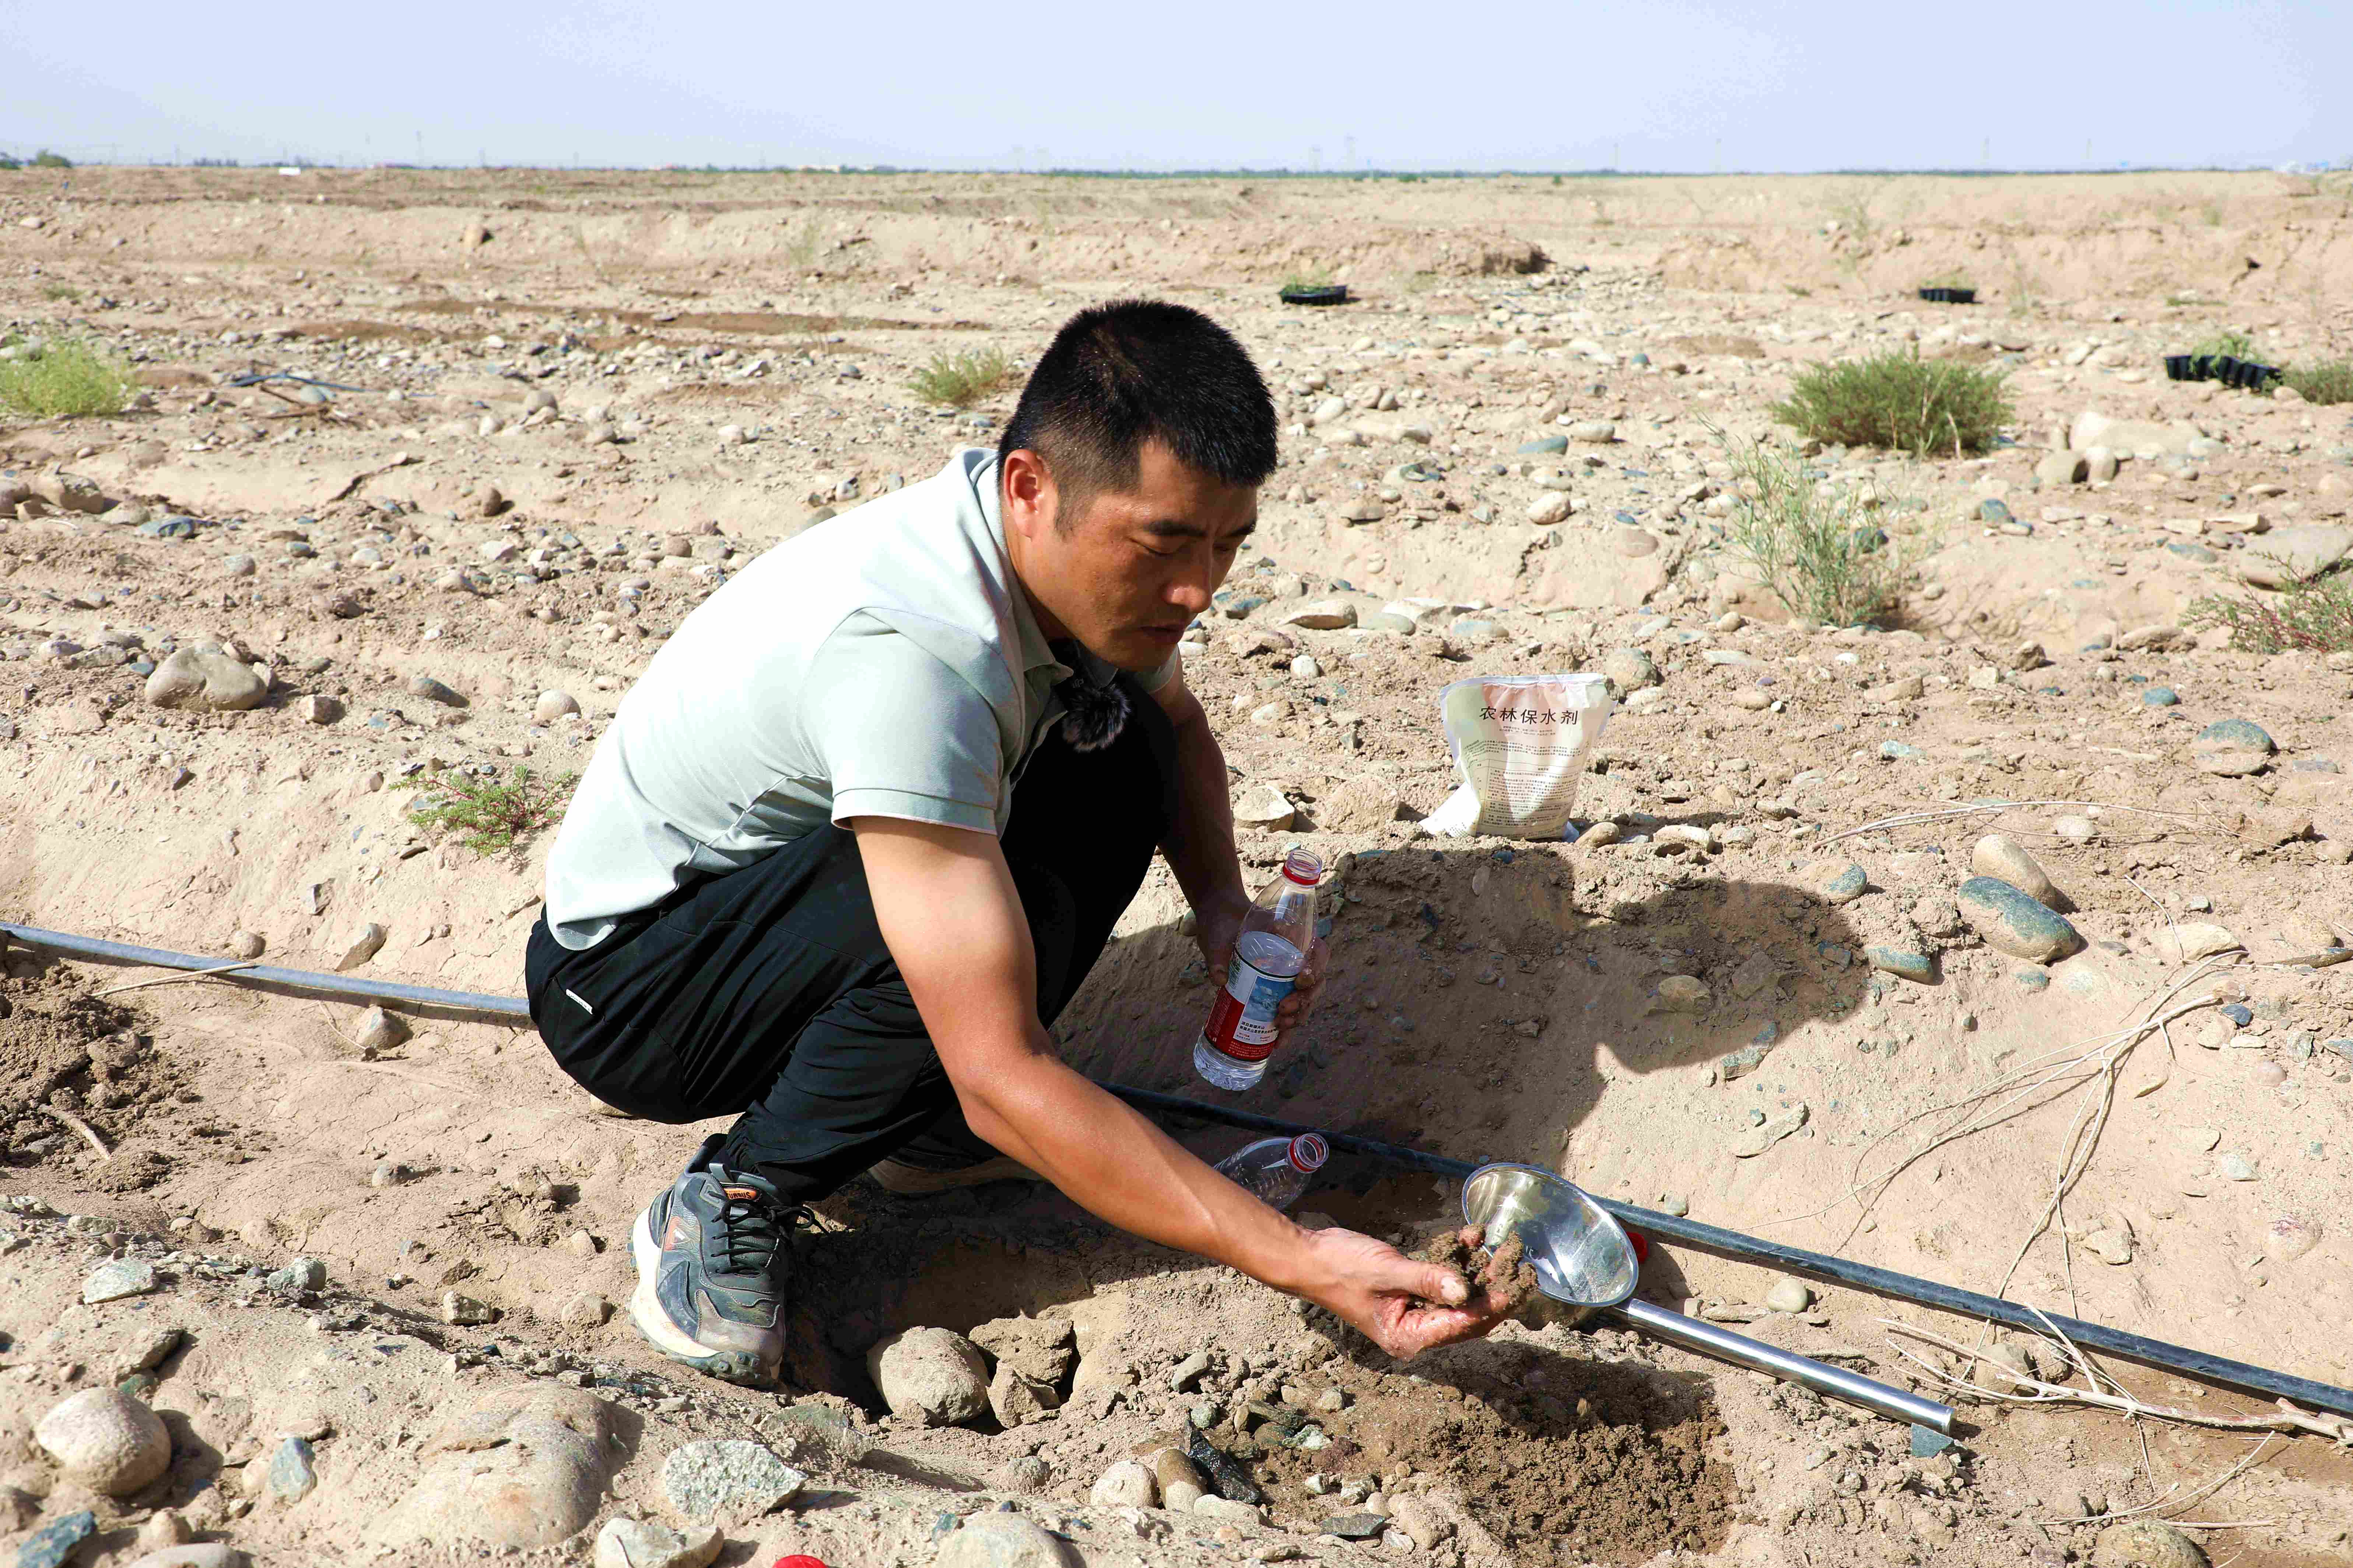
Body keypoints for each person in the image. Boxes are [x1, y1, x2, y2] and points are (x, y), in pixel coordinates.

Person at [525, 300, 1504, 1389]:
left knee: (1119, 744)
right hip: (631, 985)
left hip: (772, 910)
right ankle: (733, 1194)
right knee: (968, 936)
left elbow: (1175, 728)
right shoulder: (916, 653)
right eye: (1164, 544)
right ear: (1031, 486)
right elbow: (1001, 1071)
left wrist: (1224, 912)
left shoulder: (1052, 565)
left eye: (1227, 544)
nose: (1198, 589)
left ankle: (909, 1126)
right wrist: (1303, 1259)